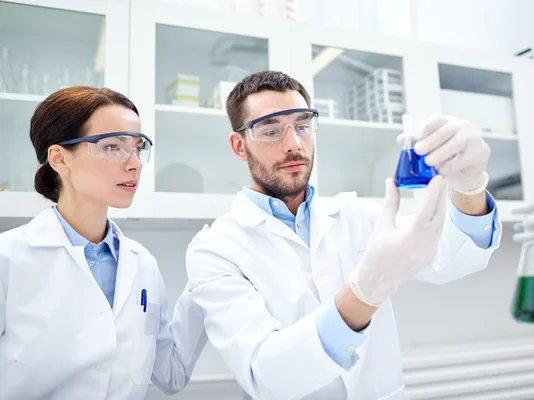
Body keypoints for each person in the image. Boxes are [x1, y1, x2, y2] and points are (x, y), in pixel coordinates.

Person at [185, 71, 502, 400]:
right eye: (270, 130)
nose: (293, 144)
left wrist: (470, 185)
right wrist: (364, 293)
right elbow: (266, 373)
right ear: (239, 145)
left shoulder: (355, 215)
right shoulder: (214, 250)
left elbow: (453, 259)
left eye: (303, 125)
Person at [0, 87, 207, 400]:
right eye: (112, 147)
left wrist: (206, 280)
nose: (134, 163)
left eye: (138, 148)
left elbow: (170, 375)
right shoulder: (9, 259)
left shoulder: (142, 264)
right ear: (59, 158)